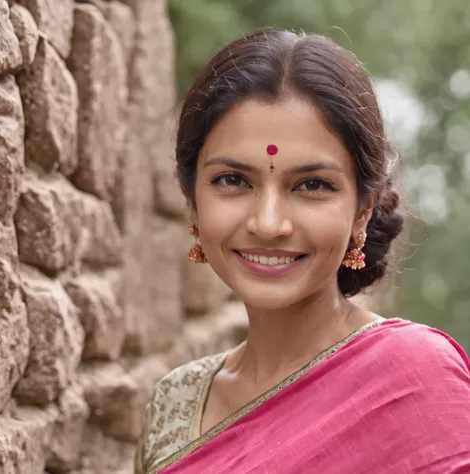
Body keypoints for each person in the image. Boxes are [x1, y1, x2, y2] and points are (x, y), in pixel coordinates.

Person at [135, 29, 470, 474]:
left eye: (312, 185)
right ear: (191, 197)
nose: (269, 223)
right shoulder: (173, 406)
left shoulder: (416, 380)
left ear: (361, 211)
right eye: (233, 180)